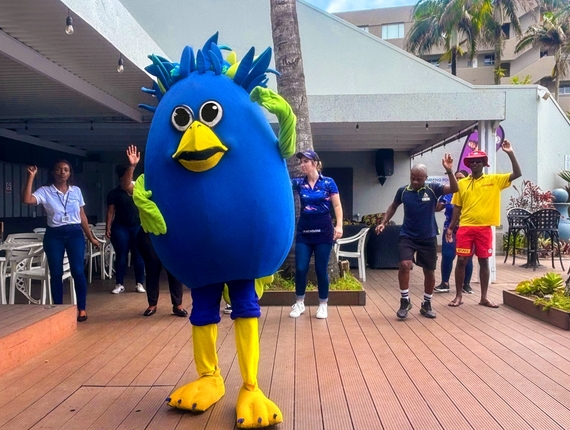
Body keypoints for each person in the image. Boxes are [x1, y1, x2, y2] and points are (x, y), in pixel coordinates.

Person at [375, 154, 458, 319]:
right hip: (407, 235)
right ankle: (405, 301)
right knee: (404, 264)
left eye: (419, 179)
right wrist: (384, 221)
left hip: (428, 237)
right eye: (413, 178)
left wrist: (449, 171)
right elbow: (393, 206)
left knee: (429, 271)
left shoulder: (433, 189)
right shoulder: (403, 191)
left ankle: (426, 304)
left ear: (425, 178)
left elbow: (455, 189)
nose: (415, 182)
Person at [21, 160, 99, 322]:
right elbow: (27, 200)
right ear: (52, 172)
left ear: (70, 173)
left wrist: (90, 236)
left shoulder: (76, 191)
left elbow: (82, 215)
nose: (62, 172)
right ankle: (59, 309)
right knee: (56, 273)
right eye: (58, 169)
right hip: (54, 235)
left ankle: (82, 308)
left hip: (75, 233)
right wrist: (31, 177)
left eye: (66, 170)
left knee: (78, 271)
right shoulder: (45, 191)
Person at [447, 140, 521, 308]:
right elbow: (457, 207)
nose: (474, 163)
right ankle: (458, 296)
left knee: (484, 262)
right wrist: (451, 227)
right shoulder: (462, 183)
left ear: (483, 163)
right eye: (472, 161)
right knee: (461, 261)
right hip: (465, 228)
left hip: (485, 228)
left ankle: (484, 297)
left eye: (478, 161)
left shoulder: (494, 180)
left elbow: (517, 173)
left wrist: (509, 152)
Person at [122, 145, 188, 317]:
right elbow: (127, 185)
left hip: (172, 234)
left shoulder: (176, 183)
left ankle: (178, 305)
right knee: (152, 268)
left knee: (174, 269)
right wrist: (132, 166)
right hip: (149, 233)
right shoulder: (144, 182)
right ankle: (152, 304)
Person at [290, 150, 343, 319]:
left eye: (306, 161)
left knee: (321, 269)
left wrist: (339, 226)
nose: (302, 164)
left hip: (324, 231)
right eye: (301, 161)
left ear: (315, 163)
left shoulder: (328, 183)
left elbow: (337, 206)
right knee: (300, 268)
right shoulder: (298, 183)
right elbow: (280, 184)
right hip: (304, 230)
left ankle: (323, 305)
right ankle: (299, 303)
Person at [106, 165, 145, 294]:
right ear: (121, 178)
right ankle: (119, 283)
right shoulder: (114, 193)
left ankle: (139, 283)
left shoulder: (137, 190)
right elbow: (110, 212)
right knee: (121, 255)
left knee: (138, 255)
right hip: (120, 226)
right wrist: (108, 226)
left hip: (137, 225)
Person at [434, 169, 474, 294]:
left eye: (461, 178)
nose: (458, 180)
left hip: (467, 229)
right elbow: (437, 208)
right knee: (447, 256)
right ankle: (444, 283)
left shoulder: (470, 193)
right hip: (450, 230)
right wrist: (437, 195)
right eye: (456, 178)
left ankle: (466, 285)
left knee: (466, 257)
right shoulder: (448, 194)